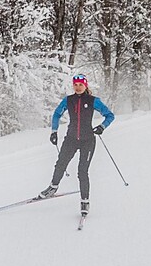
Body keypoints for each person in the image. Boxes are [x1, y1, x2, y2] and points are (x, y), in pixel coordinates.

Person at [39, 72, 114, 213]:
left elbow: (110, 115)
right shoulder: (68, 100)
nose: (78, 87)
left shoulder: (93, 100)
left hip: (88, 140)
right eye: (75, 85)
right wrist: (54, 131)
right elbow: (56, 114)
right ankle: (53, 187)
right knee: (61, 163)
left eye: (81, 85)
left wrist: (102, 127)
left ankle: (85, 201)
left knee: (82, 171)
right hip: (71, 138)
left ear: (85, 85)